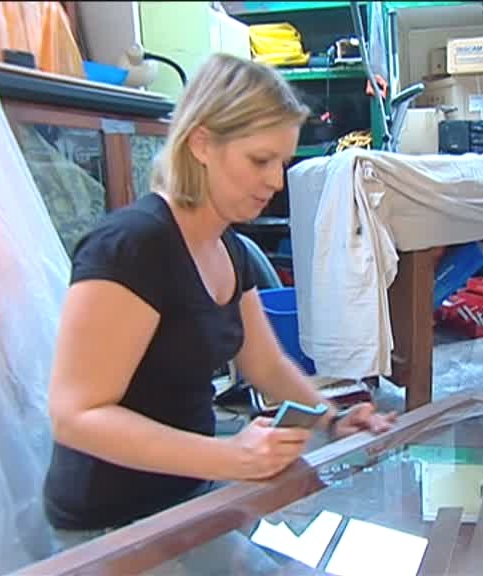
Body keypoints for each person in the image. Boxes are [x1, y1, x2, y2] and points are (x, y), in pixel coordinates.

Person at [42, 53, 395, 560]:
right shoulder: (131, 247)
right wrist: (230, 457)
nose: (276, 181)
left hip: (189, 497)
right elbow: (75, 416)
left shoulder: (228, 247)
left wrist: (332, 419)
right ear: (202, 143)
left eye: (282, 163)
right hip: (110, 526)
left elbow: (265, 364)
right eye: (260, 160)